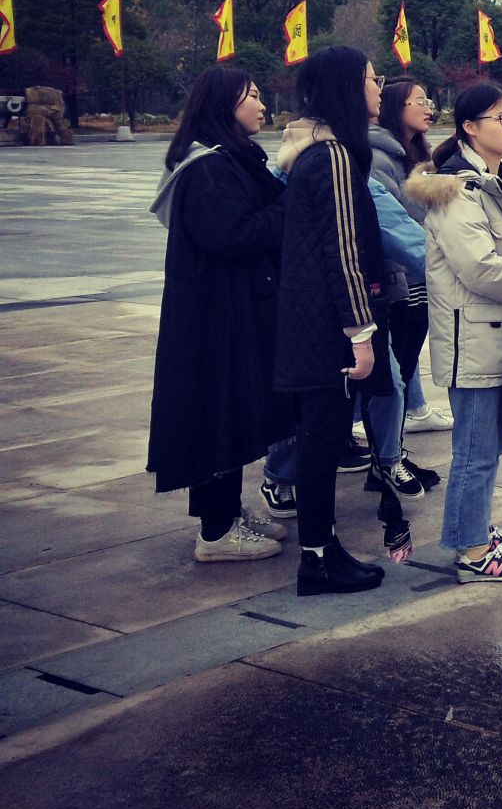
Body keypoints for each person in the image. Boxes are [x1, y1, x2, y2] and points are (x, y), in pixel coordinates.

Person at [148, 66, 290, 562]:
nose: (262, 105)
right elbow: (231, 236)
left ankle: (227, 513)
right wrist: (288, 209)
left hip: (229, 311)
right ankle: (215, 533)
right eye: (253, 96)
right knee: (216, 414)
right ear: (224, 104)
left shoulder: (229, 158)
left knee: (232, 412)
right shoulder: (207, 168)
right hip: (212, 320)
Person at [409, 82, 502, 582]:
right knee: (474, 451)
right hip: (474, 340)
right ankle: (471, 549)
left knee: (489, 446)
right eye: (500, 118)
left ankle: (476, 528)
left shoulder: (498, 182)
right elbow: (482, 269)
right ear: (469, 126)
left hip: (499, 334)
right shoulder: (455, 191)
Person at [274, 47, 389, 595]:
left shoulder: (313, 153)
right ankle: (318, 560)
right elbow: (344, 254)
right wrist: (361, 333)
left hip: (310, 324)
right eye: (371, 78)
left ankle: (322, 552)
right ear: (347, 86)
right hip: (329, 329)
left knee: (319, 441)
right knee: (323, 443)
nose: (379, 87)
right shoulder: (334, 156)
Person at [373, 80, 453, 434]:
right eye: (418, 101)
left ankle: (407, 421)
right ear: (395, 107)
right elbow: (395, 221)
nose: (427, 107)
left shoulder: (418, 153)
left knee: (407, 358)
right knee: (399, 360)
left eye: (427, 100)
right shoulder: (379, 158)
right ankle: (388, 448)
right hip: (401, 275)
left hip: (420, 272)